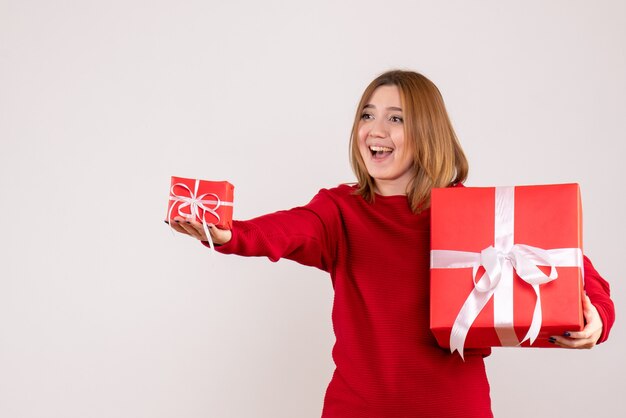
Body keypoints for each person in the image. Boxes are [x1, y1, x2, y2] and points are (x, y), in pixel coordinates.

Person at [168, 70, 615, 417]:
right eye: (367, 114)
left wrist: (597, 316)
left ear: (427, 132)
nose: (374, 129)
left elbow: (569, 263)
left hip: (454, 410)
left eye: (395, 118)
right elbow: (288, 230)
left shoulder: (474, 212)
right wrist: (229, 234)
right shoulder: (339, 210)